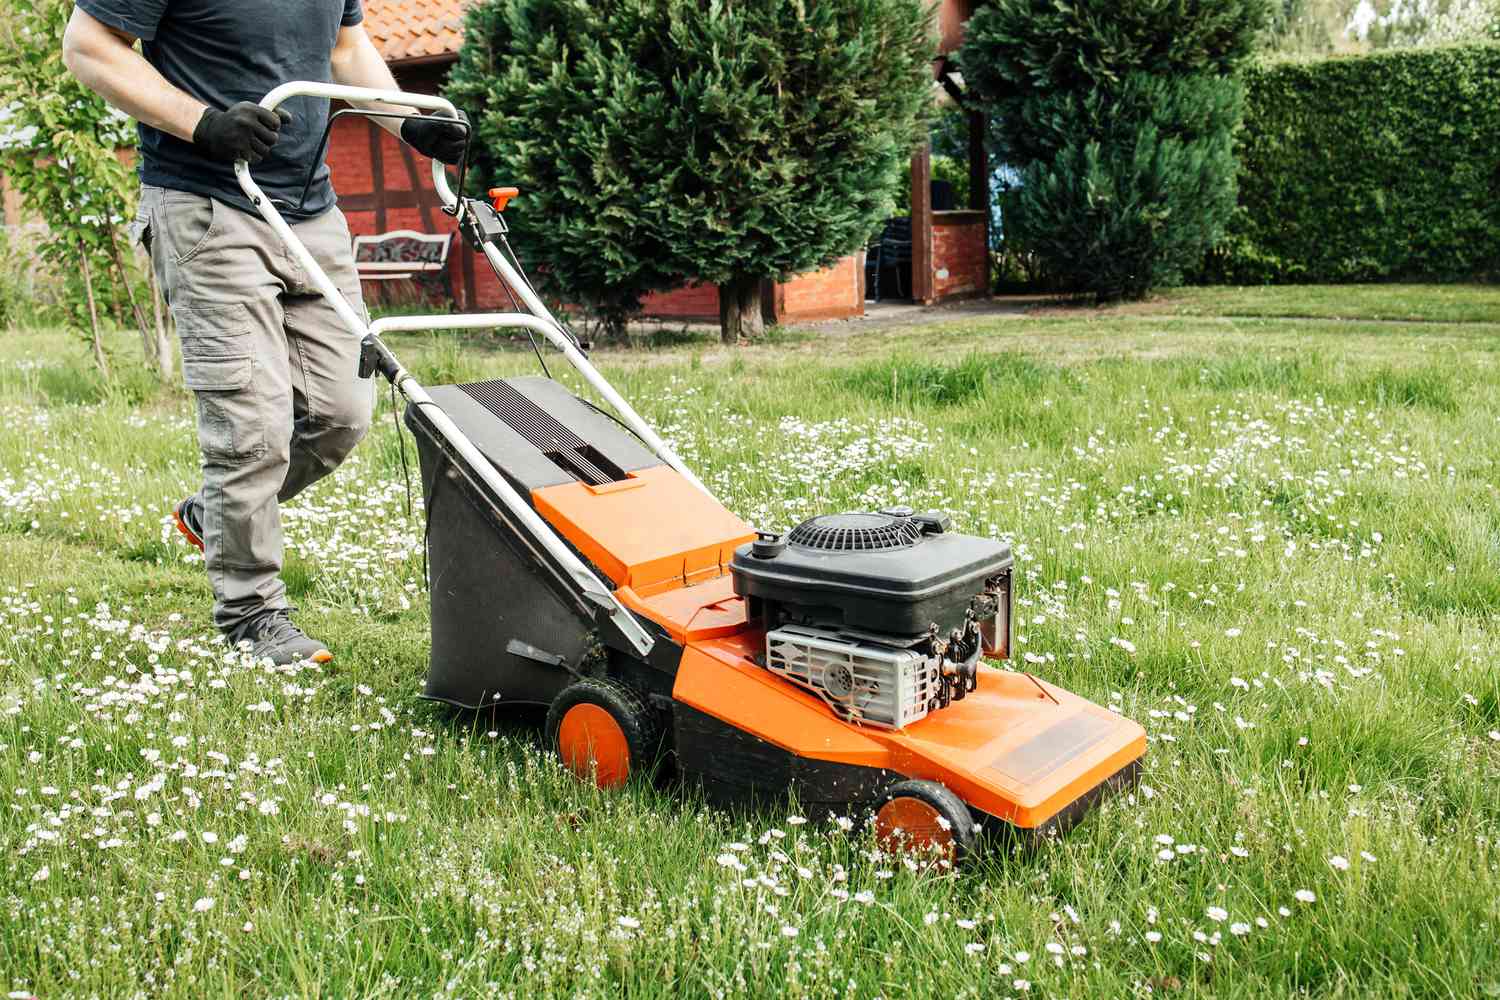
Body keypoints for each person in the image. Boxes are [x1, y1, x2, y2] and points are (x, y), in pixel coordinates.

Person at [62, 1, 467, 665]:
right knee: (251, 428)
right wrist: (202, 124)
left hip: (310, 208)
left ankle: (213, 517)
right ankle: (252, 616)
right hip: (206, 203)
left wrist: (410, 123)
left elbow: (345, 52)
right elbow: (89, 47)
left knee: (342, 412)